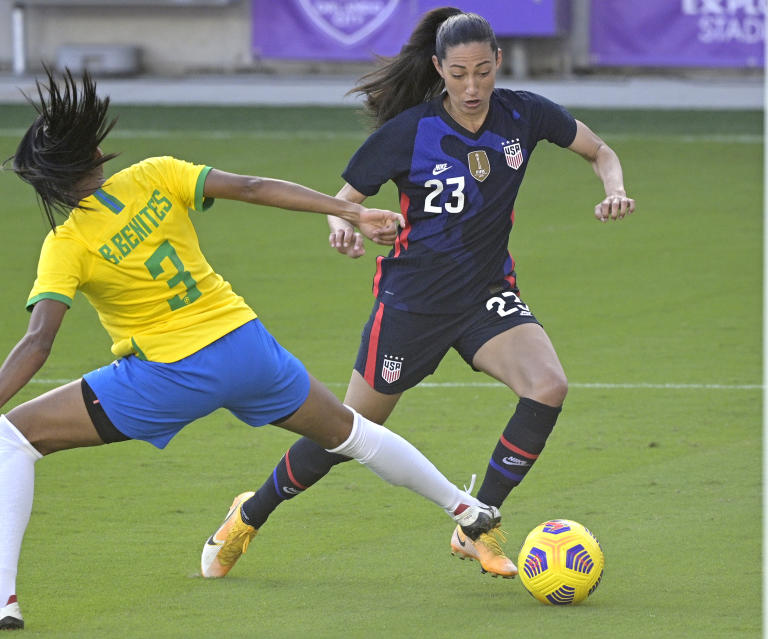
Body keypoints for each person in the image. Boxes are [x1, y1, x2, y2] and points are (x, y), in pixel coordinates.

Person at [0, 68, 502, 631]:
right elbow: (251, 187)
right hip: (248, 348)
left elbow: (39, 340)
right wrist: (347, 207)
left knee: (13, 436)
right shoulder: (154, 174)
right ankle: (465, 510)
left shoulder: (65, 244)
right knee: (350, 432)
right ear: (94, 153)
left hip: (170, 375)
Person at [200, 7, 634, 580]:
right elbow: (345, 200)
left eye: (483, 70)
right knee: (343, 434)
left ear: (499, 62)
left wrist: (616, 189)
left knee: (548, 386)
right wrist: (343, 227)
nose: (473, 86)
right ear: (438, 68)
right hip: (411, 307)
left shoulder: (526, 115)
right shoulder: (410, 132)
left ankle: (477, 525)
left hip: (485, 295)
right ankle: (248, 514)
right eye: (459, 73)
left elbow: (600, 151)